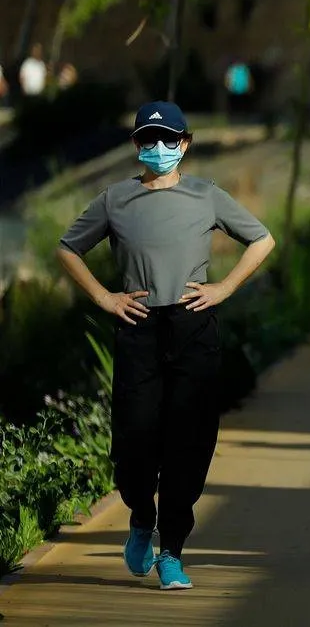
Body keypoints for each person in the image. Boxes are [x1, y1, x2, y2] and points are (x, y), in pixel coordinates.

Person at [57, 101, 276, 589]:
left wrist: (223, 288)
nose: (159, 148)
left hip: (193, 325)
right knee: (134, 441)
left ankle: (172, 550)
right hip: (137, 326)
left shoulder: (206, 196)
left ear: (186, 143)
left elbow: (262, 241)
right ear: (136, 145)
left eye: (169, 139)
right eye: (149, 140)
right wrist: (104, 298)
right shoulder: (114, 200)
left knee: (190, 444)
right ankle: (140, 515)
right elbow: (68, 248)